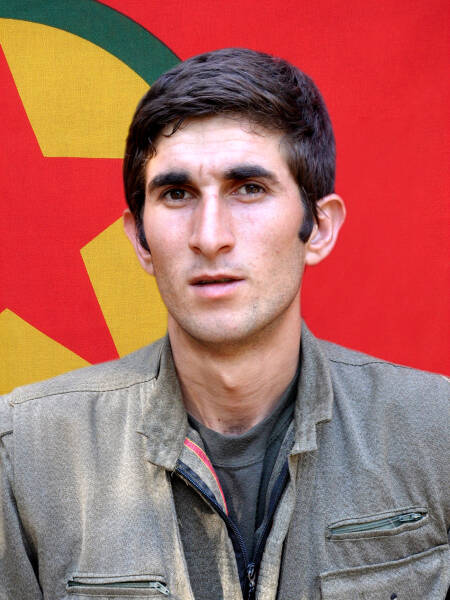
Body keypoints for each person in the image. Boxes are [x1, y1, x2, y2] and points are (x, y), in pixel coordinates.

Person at [0, 48, 448, 600]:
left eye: (249, 188)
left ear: (319, 227)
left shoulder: (437, 431)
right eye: (177, 194)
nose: (210, 237)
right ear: (140, 240)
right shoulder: (25, 454)